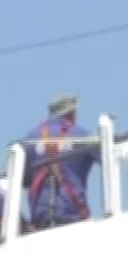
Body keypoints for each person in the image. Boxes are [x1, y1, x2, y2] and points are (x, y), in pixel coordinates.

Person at [20, 94, 100, 230]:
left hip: (40, 217)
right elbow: (108, 159)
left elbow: (23, 180)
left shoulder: (29, 138)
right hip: (72, 214)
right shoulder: (83, 135)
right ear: (72, 113)